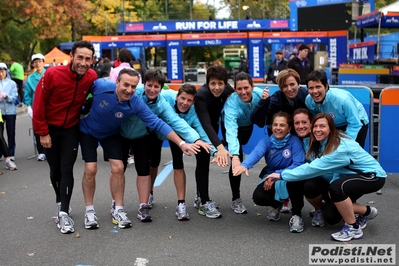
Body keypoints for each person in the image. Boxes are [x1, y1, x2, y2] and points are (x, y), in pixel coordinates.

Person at [79, 69, 201, 229]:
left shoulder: (139, 102)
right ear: (117, 82)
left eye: (132, 86)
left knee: (123, 168)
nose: (129, 89)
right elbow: (79, 88)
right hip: (101, 132)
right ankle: (95, 209)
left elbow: (161, 123)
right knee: (92, 169)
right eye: (126, 85)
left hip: (126, 135)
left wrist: (182, 143)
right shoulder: (102, 86)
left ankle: (128, 208)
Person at [265, 113, 386, 241]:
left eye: (322, 126)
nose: (318, 129)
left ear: (331, 128)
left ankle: (353, 228)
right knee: (330, 216)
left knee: (336, 188)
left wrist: (281, 175)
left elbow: (313, 168)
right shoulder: (324, 142)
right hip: (352, 176)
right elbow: (339, 168)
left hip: (372, 176)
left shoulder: (338, 147)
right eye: (315, 126)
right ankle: (366, 212)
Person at [119, 69, 211, 222]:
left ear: (162, 88)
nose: (152, 90)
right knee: (120, 169)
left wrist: (195, 140)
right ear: (144, 84)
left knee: (150, 167)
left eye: (157, 87)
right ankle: (119, 203)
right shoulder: (134, 92)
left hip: (155, 134)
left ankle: (147, 201)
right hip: (128, 133)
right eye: (150, 85)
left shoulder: (163, 103)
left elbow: (177, 122)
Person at [32, 41, 98, 234]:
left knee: (66, 168)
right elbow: (38, 105)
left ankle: (63, 213)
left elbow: (102, 93)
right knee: (55, 170)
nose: (84, 63)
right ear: (72, 56)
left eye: (88, 59)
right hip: (49, 129)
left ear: (92, 60)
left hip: (71, 129)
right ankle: (60, 201)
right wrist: (42, 133)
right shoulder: (53, 74)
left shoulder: (91, 76)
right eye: (80, 57)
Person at [232, 112, 304, 227]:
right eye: (275, 125)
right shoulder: (266, 142)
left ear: (289, 128)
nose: (278, 128)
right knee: (259, 197)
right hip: (271, 176)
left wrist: (277, 175)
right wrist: (244, 165)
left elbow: (298, 164)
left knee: (295, 183)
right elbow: (256, 153)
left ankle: (297, 215)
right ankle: (276, 205)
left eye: (282, 125)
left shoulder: (295, 142)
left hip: (291, 176)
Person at [156, 84, 216, 220]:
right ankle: (150, 195)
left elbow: (201, 130)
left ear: (193, 101)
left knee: (199, 154)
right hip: (165, 131)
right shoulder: (166, 97)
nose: (185, 103)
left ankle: (190, 201)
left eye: (189, 100)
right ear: (177, 97)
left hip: (188, 134)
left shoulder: (194, 111)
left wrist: (215, 151)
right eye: (182, 98)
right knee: (155, 161)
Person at [194, 65, 234, 218]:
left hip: (214, 125)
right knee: (203, 161)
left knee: (204, 162)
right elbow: (205, 124)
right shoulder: (201, 95)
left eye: (220, 84)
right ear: (208, 83)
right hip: (200, 127)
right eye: (213, 84)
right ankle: (204, 201)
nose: (217, 88)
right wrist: (219, 147)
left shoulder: (227, 89)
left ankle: (200, 197)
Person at [220, 72, 263, 214]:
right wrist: (235, 157)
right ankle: (236, 199)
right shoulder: (231, 105)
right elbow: (232, 132)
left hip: (248, 125)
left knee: (243, 141)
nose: (243, 92)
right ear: (234, 88)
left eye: (246, 88)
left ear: (252, 86)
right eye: (239, 89)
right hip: (232, 127)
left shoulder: (259, 94)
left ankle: (221, 143)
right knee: (236, 153)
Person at [305, 70, 369, 147]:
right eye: (311, 88)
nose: (315, 91)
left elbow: (355, 123)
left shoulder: (343, 100)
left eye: (318, 87)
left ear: (326, 87)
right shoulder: (308, 100)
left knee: (351, 153)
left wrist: (345, 145)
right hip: (334, 123)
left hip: (356, 121)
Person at [24, 54, 47, 161]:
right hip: (36, 105)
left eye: (39, 61)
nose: (38, 64)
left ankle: (50, 150)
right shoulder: (30, 78)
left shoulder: (48, 74)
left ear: (43, 62)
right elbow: (27, 93)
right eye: (35, 62)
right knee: (37, 128)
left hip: (48, 105)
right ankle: (41, 151)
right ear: (33, 64)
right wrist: (28, 106)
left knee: (50, 127)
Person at [0, 63, 17, 170]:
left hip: (10, 110)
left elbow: (15, 97)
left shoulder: (12, 83)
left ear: (6, 71)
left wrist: (7, 96)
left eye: (2, 71)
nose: (0, 74)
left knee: (10, 132)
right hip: (0, 112)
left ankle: (10, 153)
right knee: (0, 135)